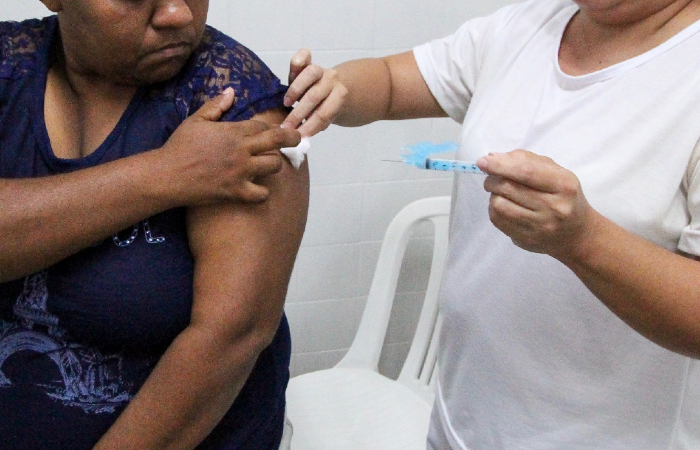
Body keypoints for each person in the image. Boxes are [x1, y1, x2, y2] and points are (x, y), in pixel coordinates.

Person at [282, 0, 700, 448]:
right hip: (461, 423)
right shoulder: (526, 25)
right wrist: (334, 88)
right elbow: (388, 81)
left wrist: (583, 239)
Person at [0, 0, 309, 449]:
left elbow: (230, 337)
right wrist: (164, 174)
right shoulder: (10, 67)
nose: (177, 14)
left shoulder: (238, 109)